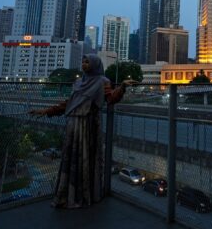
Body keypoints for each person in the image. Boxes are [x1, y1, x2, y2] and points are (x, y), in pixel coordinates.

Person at [29, 54, 137, 209]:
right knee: (71, 158)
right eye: (83, 61)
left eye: (87, 62)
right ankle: (69, 194)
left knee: (87, 158)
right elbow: (68, 104)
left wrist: (122, 87)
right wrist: (46, 111)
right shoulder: (79, 82)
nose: (84, 64)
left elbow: (111, 98)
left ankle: (85, 194)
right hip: (73, 125)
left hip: (89, 126)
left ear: (94, 65)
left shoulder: (102, 81)